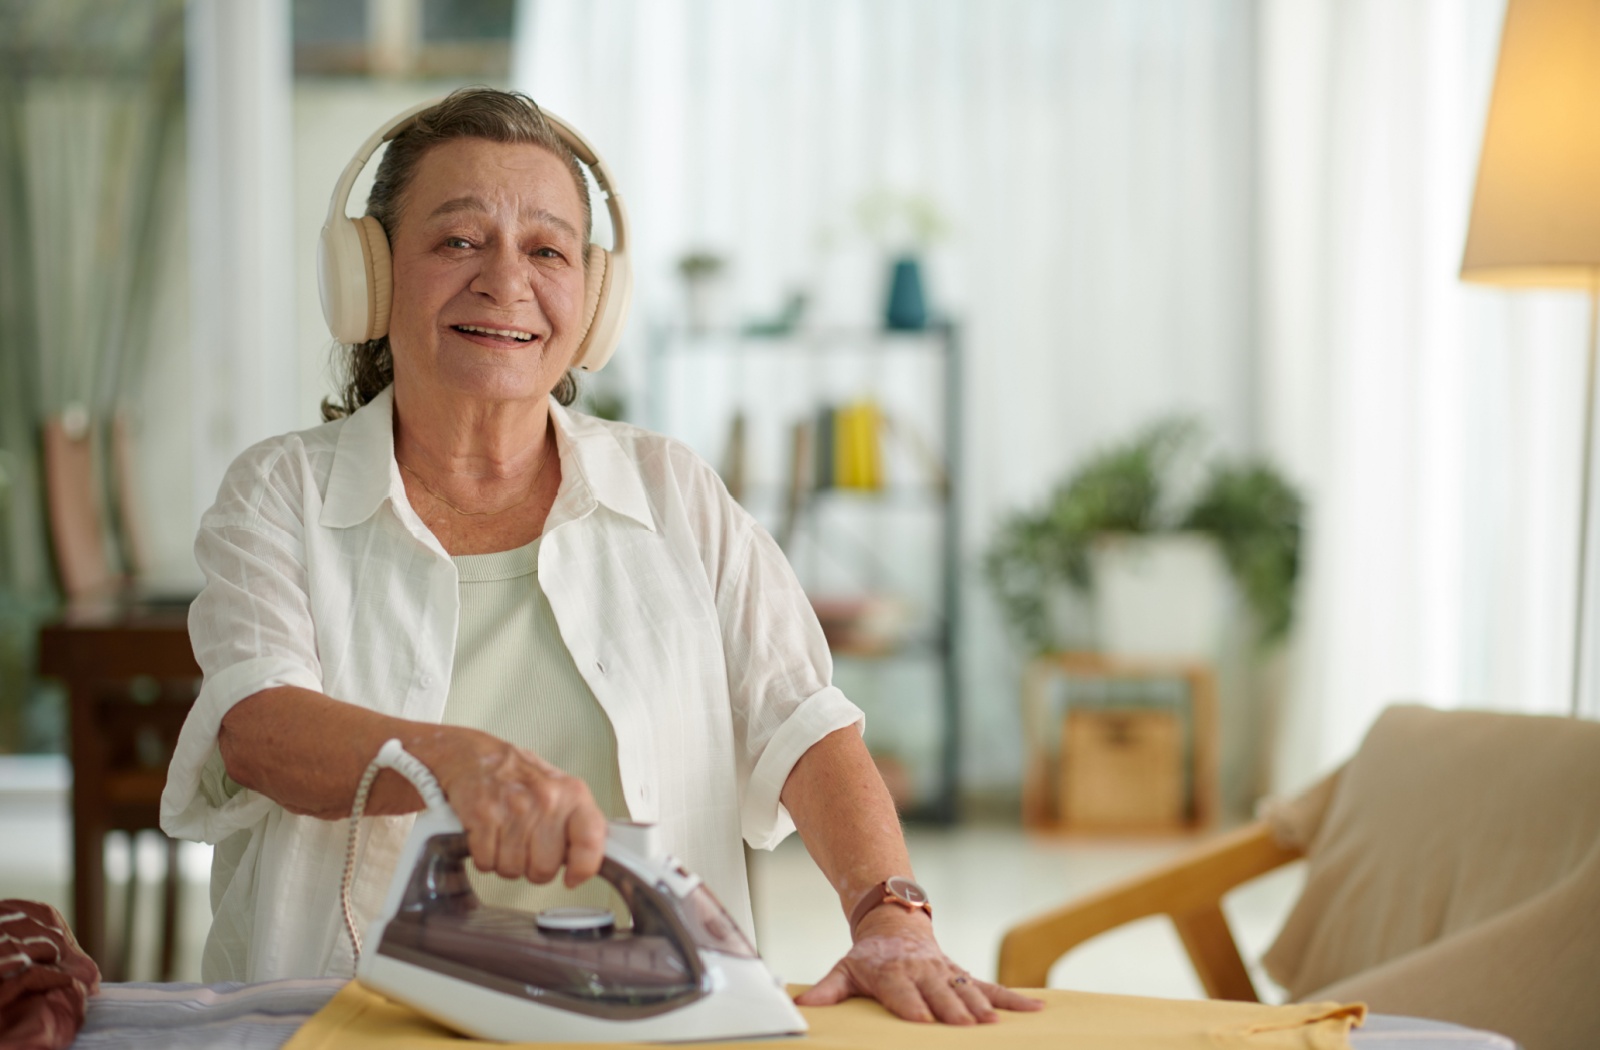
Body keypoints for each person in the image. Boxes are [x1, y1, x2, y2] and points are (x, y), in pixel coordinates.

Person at [161, 87, 1040, 1026]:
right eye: (458, 240)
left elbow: (806, 722)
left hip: (659, 1022)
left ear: (594, 298)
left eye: (546, 250)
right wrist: (455, 762)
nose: (506, 282)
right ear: (370, 276)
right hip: (352, 1024)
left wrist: (888, 913)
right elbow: (257, 727)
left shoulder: (673, 491)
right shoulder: (279, 494)